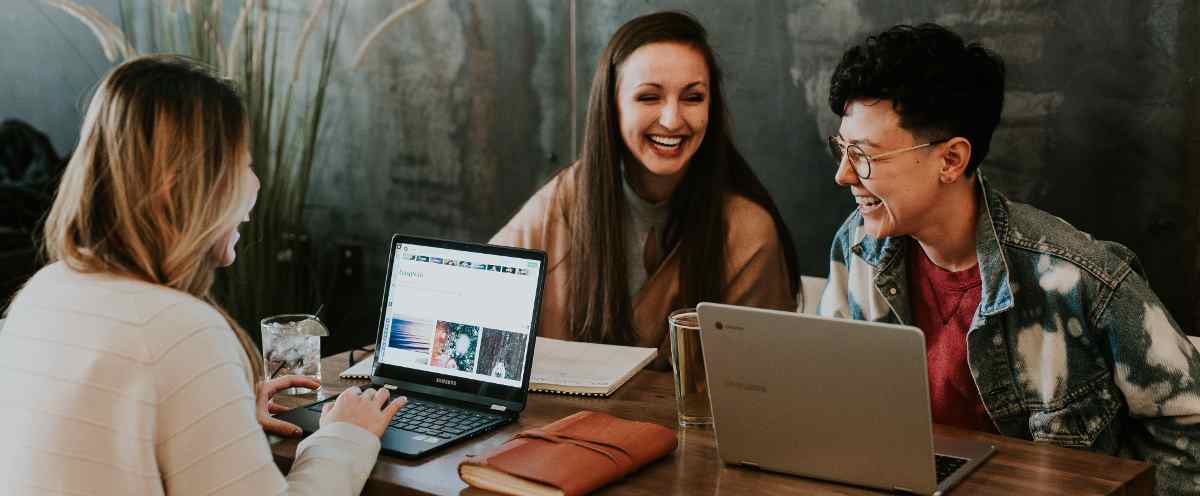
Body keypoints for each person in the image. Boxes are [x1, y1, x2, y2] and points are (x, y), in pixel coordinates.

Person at [817, 23, 1200, 494]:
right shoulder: (857, 247)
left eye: (864, 155)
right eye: (842, 148)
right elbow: (832, 405)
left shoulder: (1078, 278)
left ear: (951, 160)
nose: (843, 174)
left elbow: (1191, 435)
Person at [0, 55, 406, 495]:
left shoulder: (42, 293)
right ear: (184, 184)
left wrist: (218, 413)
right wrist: (345, 437)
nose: (255, 186)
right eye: (243, 164)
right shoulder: (180, 331)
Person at [491, 11, 799, 367]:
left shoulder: (747, 231)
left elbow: (763, 382)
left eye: (693, 97)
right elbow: (477, 298)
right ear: (612, 106)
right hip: (559, 422)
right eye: (649, 97)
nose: (672, 119)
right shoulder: (565, 198)